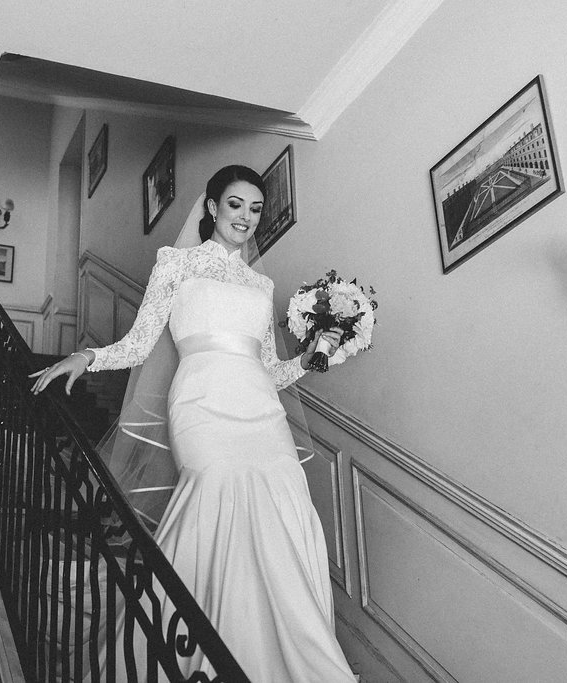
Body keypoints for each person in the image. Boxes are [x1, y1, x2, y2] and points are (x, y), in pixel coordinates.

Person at [30, 165, 355, 682]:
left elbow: (269, 369)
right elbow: (139, 344)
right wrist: (86, 357)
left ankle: (281, 660)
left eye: (254, 209)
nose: (245, 217)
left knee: (286, 503)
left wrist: (316, 356)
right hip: (201, 403)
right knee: (214, 492)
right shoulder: (175, 265)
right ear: (211, 207)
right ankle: (181, 649)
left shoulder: (260, 282)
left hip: (259, 409)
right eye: (235, 205)